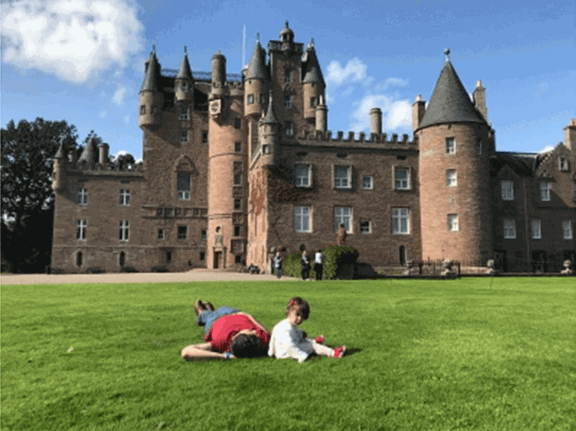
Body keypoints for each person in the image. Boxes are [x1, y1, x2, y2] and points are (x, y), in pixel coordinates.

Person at [181, 300, 270, 361]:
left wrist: (225, 356)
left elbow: (186, 352)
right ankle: (209, 309)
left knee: (208, 315)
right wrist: (244, 314)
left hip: (214, 321)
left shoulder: (221, 343)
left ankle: (202, 312)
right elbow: (251, 317)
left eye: (249, 331)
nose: (253, 330)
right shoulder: (262, 338)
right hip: (234, 313)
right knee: (223, 308)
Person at [268, 297, 347, 363]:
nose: (299, 319)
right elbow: (289, 347)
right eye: (297, 315)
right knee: (312, 346)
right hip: (285, 354)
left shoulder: (283, 324)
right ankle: (333, 353)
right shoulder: (285, 329)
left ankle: (314, 342)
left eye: (302, 317)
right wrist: (302, 356)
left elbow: (275, 338)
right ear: (289, 312)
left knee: (307, 342)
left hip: (282, 352)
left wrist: (271, 352)